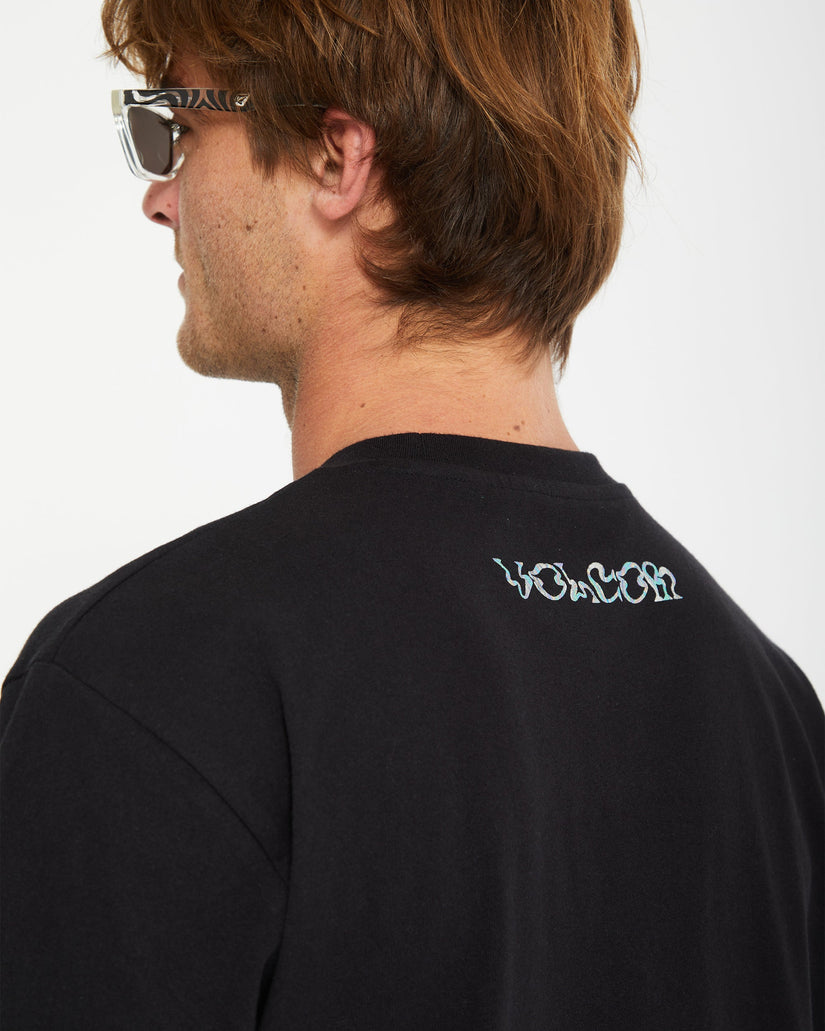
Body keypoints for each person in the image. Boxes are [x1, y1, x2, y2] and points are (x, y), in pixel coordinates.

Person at [1, 0, 821, 1027]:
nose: (159, 197)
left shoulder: (146, 680)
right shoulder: (773, 718)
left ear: (337, 157)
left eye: (179, 125)